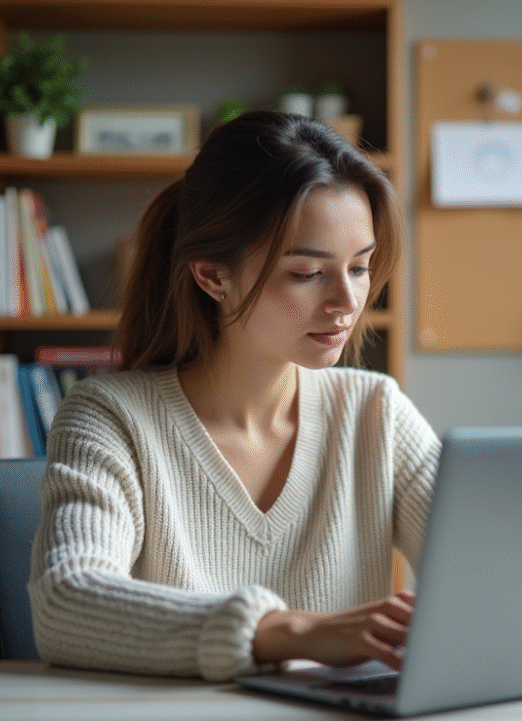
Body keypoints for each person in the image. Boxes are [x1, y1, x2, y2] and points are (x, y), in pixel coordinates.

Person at [28, 111, 441, 681]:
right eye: (306, 273)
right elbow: (65, 604)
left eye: (361, 267)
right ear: (212, 275)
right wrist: (291, 633)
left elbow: (490, 572)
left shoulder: (377, 413)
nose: (347, 300)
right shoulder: (109, 418)